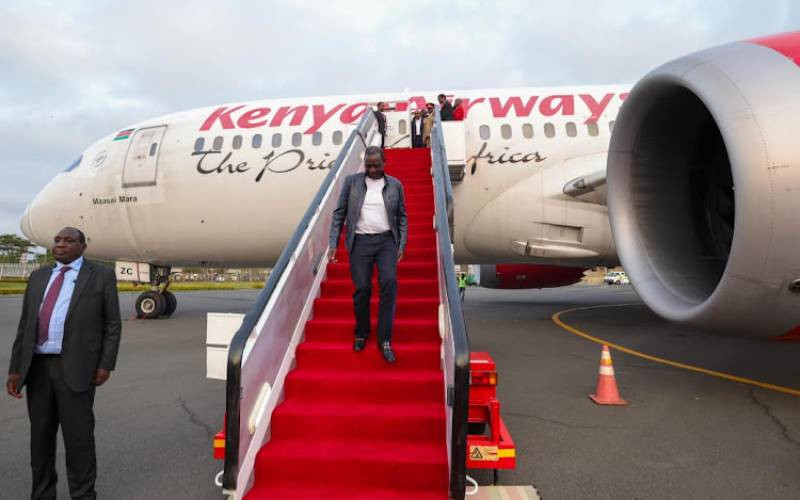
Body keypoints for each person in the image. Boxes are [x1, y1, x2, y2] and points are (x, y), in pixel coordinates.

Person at [7, 226, 122, 500]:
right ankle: (42, 494)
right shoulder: (38, 276)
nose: (60, 244)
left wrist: (105, 364)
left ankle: (83, 495)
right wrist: (15, 369)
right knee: (40, 439)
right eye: (57, 240)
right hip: (37, 368)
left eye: (68, 240)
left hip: (77, 368)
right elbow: (25, 326)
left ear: (83, 246)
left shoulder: (101, 276)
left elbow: (112, 324)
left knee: (79, 439)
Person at [328, 146, 408, 363]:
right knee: (362, 288)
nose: (372, 170)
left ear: (384, 163)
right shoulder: (351, 182)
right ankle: (361, 333)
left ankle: (385, 340)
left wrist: (401, 244)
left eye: (376, 165)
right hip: (360, 242)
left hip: (386, 241)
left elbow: (402, 216)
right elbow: (339, 213)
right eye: (368, 166)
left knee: (389, 284)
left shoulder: (395, 185)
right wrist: (333, 242)